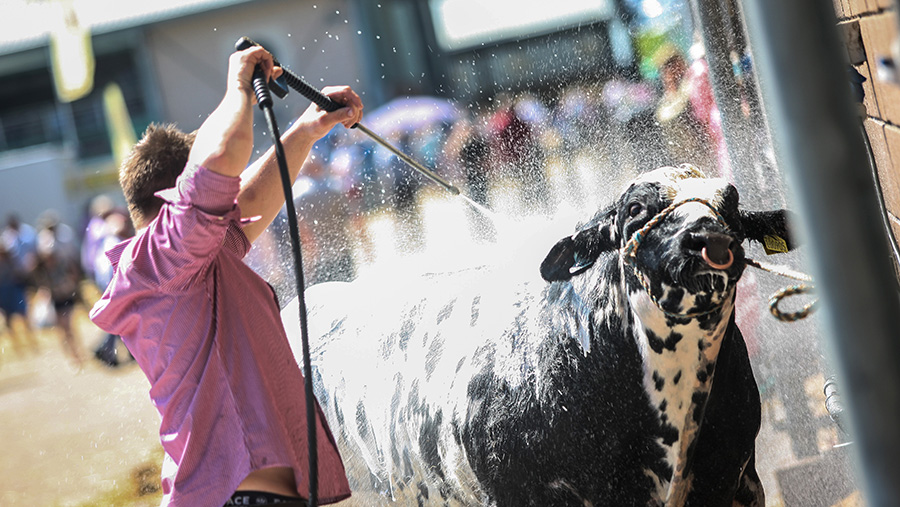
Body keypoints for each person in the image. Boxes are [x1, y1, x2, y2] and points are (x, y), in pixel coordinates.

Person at [89, 45, 363, 507]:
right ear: (179, 197)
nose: (228, 199)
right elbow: (222, 157)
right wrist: (238, 85)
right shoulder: (164, 256)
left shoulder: (196, 257)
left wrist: (308, 128)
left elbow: (252, 199)